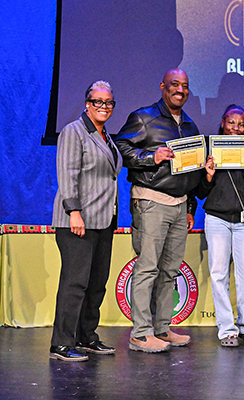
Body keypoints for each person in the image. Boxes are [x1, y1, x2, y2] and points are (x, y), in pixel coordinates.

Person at [115, 69, 200, 353]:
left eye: (185, 86)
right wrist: (151, 156)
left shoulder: (189, 126)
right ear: (163, 86)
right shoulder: (144, 117)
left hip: (179, 205)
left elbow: (191, 170)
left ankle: (162, 329)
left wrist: (190, 206)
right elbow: (121, 147)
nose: (180, 90)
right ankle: (140, 334)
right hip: (151, 200)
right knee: (148, 267)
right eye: (175, 85)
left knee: (170, 271)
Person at [50, 80, 123, 361]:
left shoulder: (106, 136)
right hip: (78, 220)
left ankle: (86, 337)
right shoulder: (74, 132)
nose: (104, 107)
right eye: (98, 102)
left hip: (103, 220)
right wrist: (74, 212)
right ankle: (61, 343)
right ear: (87, 103)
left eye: (109, 103)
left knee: (97, 283)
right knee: (75, 283)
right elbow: (67, 174)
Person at [198, 104, 244, 347]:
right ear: (222, 123)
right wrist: (207, 175)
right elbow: (200, 191)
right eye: (231, 123)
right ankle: (227, 329)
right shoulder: (210, 152)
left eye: (241, 124)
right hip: (217, 219)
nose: (236, 128)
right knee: (219, 275)